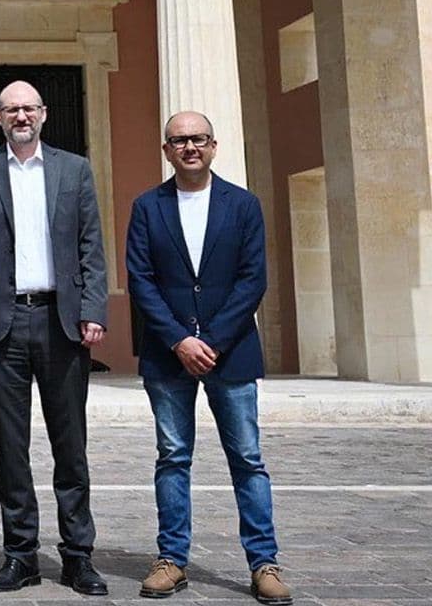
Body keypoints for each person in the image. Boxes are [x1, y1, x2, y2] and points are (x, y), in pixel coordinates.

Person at [126, 113, 292, 606]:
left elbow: (252, 279)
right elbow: (141, 280)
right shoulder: (147, 207)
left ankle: (264, 562)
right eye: (179, 141)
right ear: (166, 150)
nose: (190, 148)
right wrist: (180, 339)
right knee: (173, 457)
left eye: (198, 139)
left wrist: (212, 341)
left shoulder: (242, 205)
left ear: (214, 146)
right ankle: (171, 559)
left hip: (232, 352)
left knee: (247, 459)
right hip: (168, 353)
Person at [0, 80, 108, 597]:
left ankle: (78, 555)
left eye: (29, 108)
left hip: (61, 322)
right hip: (3, 325)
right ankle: (20, 554)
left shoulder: (74, 169)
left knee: (71, 446)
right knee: (10, 447)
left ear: (44, 114)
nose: (21, 116)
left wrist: (93, 310)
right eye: (11, 110)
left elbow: (91, 243)